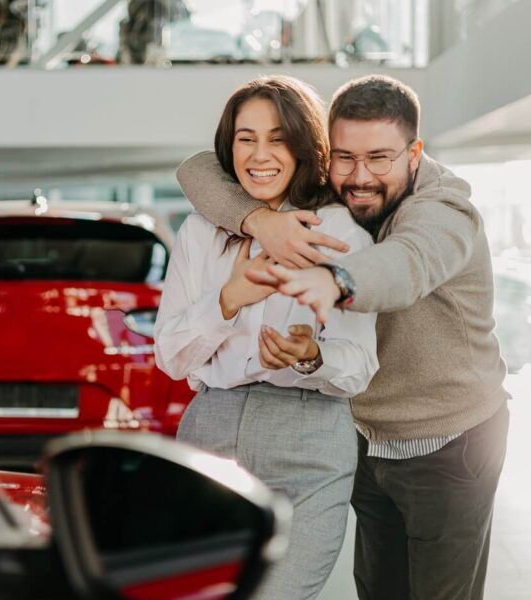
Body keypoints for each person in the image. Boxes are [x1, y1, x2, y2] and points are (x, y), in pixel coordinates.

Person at [176, 74, 509, 600]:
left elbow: (409, 263)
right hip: (363, 433)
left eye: (380, 158)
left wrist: (336, 281)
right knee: (378, 590)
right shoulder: (334, 193)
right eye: (345, 158)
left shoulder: (444, 209)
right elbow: (197, 170)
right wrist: (259, 220)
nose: (360, 178)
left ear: (414, 153)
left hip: (446, 438)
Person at [154, 75, 378, 599]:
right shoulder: (199, 232)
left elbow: (360, 365)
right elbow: (170, 354)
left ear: (304, 147)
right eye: (246, 138)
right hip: (210, 432)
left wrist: (311, 356)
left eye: (278, 138)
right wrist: (227, 300)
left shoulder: (340, 234)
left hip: (310, 447)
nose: (260, 154)